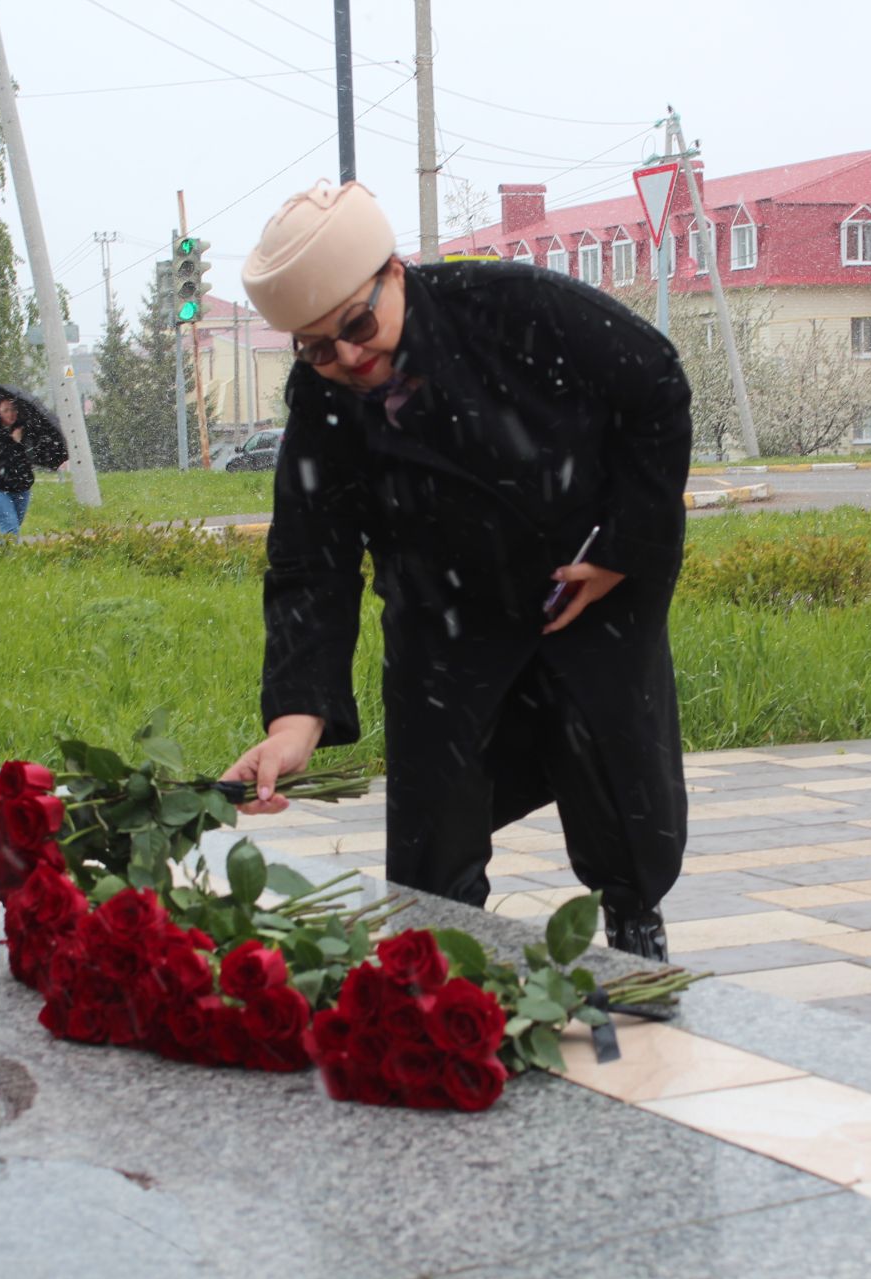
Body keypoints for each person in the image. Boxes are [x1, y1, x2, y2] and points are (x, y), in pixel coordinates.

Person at [220, 180, 693, 960]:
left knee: (618, 783)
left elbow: (658, 385)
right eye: (315, 346)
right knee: (431, 837)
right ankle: (439, 968)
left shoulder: (515, 306)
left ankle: (636, 926)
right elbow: (313, 554)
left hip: (578, 587)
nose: (347, 357)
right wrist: (294, 720)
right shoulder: (325, 400)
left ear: (395, 273)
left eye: (358, 324)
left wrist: (624, 550)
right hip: (442, 612)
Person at [0, 393, 61, 540]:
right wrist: (12, 441)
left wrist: (22, 443)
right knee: (10, 525)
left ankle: (3, 556)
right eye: (6, 410)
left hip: (21, 489)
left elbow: (31, 457)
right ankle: (11, 557)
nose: (11, 414)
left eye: (13, 409)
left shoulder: (26, 431)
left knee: (12, 527)